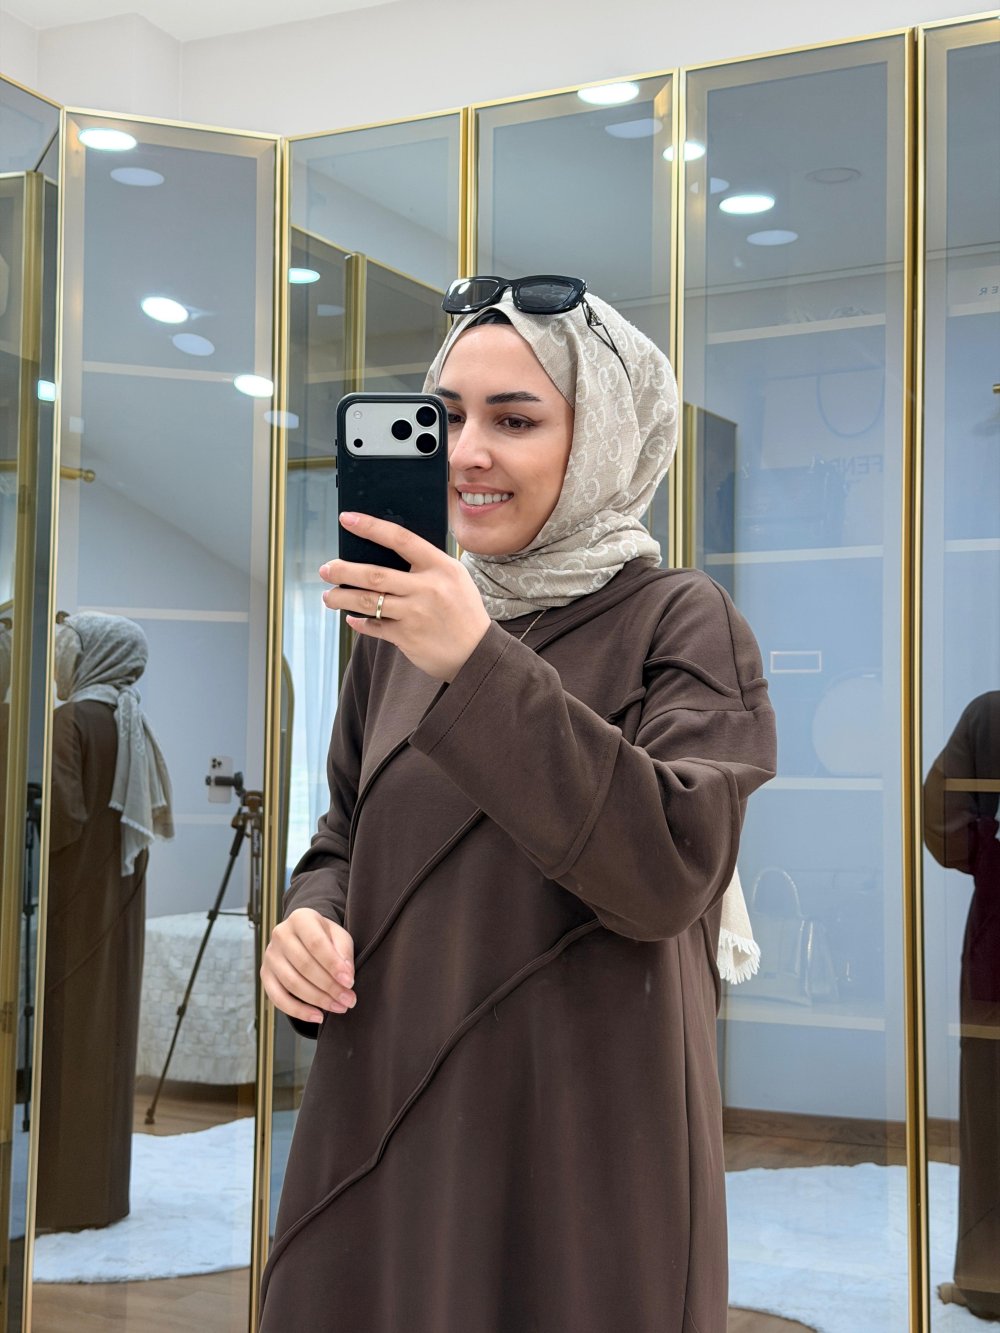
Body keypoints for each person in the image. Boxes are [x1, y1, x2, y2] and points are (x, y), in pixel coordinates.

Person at [259, 277, 777, 1332]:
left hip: (580, 1132)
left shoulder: (681, 619)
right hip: (387, 1109)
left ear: (604, 439)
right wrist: (309, 918)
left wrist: (475, 660)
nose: (466, 453)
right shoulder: (398, 632)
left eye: (516, 420)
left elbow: (669, 868)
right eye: (445, 418)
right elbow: (346, 832)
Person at [36, 612, 173, 1231]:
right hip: (120, 906)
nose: (58, 665)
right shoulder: (132, 720)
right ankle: (104, 1195)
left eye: (66, 652)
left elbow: (61, 818)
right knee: (107, 1037)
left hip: (74, 907)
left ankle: (63, 1201)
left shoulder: (72, 720)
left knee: (71, 1041)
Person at [924, 691, 1000, 1321]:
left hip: (999, 941)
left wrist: (990, 857)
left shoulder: (993, 714)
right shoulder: (991, 716)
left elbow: (943, 827)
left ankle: (988, 1281)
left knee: (992, 1100)